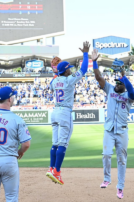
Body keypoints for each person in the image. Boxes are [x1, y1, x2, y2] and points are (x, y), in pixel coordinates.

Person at [92, 50, 134, 199]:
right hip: (109, 130)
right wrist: (94, 61)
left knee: (122, 160)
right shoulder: (110, 89)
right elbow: (98, 77)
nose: (116, 85)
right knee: (105, 154)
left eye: (119, 83)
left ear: (124, 85)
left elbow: (132, 92)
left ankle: (120, 187)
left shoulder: (128, 97)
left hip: (122, 132)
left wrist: (123, 75)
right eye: (116, 82)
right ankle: (107, 178)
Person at [46, 41, 90, 185]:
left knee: (55, 143)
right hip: (64, 112)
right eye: (69, 69)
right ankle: (57, 172)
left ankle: (52, 168)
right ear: (65, 71)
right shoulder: (69, 80)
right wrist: (85, 53)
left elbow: (52, 85)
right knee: (63, 144)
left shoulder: (54, 81)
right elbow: (83, 69)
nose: (70, 70)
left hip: (54, 112)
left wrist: (56, 71)